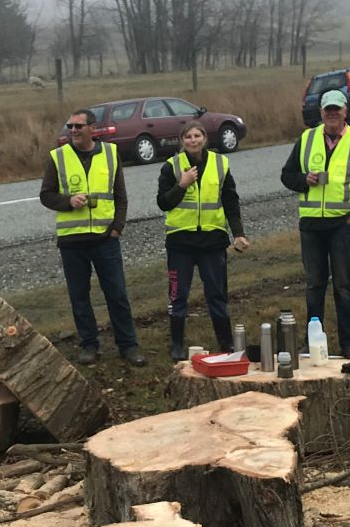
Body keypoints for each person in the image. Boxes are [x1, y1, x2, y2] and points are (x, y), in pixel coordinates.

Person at [278, 88, 350, 360]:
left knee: (343, 286)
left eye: (337, 109)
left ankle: (349, 343)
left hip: (343, 226)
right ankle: (312, 343)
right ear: (321, 113)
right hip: (312, 226)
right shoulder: (306, 138)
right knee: (314, 286)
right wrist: (304, 179)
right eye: (328, 110)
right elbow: (287, 175)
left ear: (345, 112)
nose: (332, 114)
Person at [41, 109, 146, 366]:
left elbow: (120, 196)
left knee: (117, 294)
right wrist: (68, 201)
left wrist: (117, 228)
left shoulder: (110, 153)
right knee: (79, 297)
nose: (73, 131)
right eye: (70, 126)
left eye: (78, 126)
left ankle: (128, 345)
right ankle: (89, 345)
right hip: (72, 241)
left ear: (92, 128)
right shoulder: (58, 157)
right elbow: (46, 195)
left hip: (105, 239)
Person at [157, 121, 250, 359]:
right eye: (188, 136)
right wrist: (181, 185)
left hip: (212, 241)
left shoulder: (221, 164)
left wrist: (238, 233)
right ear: (182, 141)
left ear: (205, 138)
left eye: (197, 135)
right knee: (178, 295)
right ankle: (177, 345)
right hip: (181, 242)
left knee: (217, 294)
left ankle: (226, 344)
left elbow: (230, 201)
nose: (193, 140)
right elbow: (163, 203)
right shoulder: (171, 167)